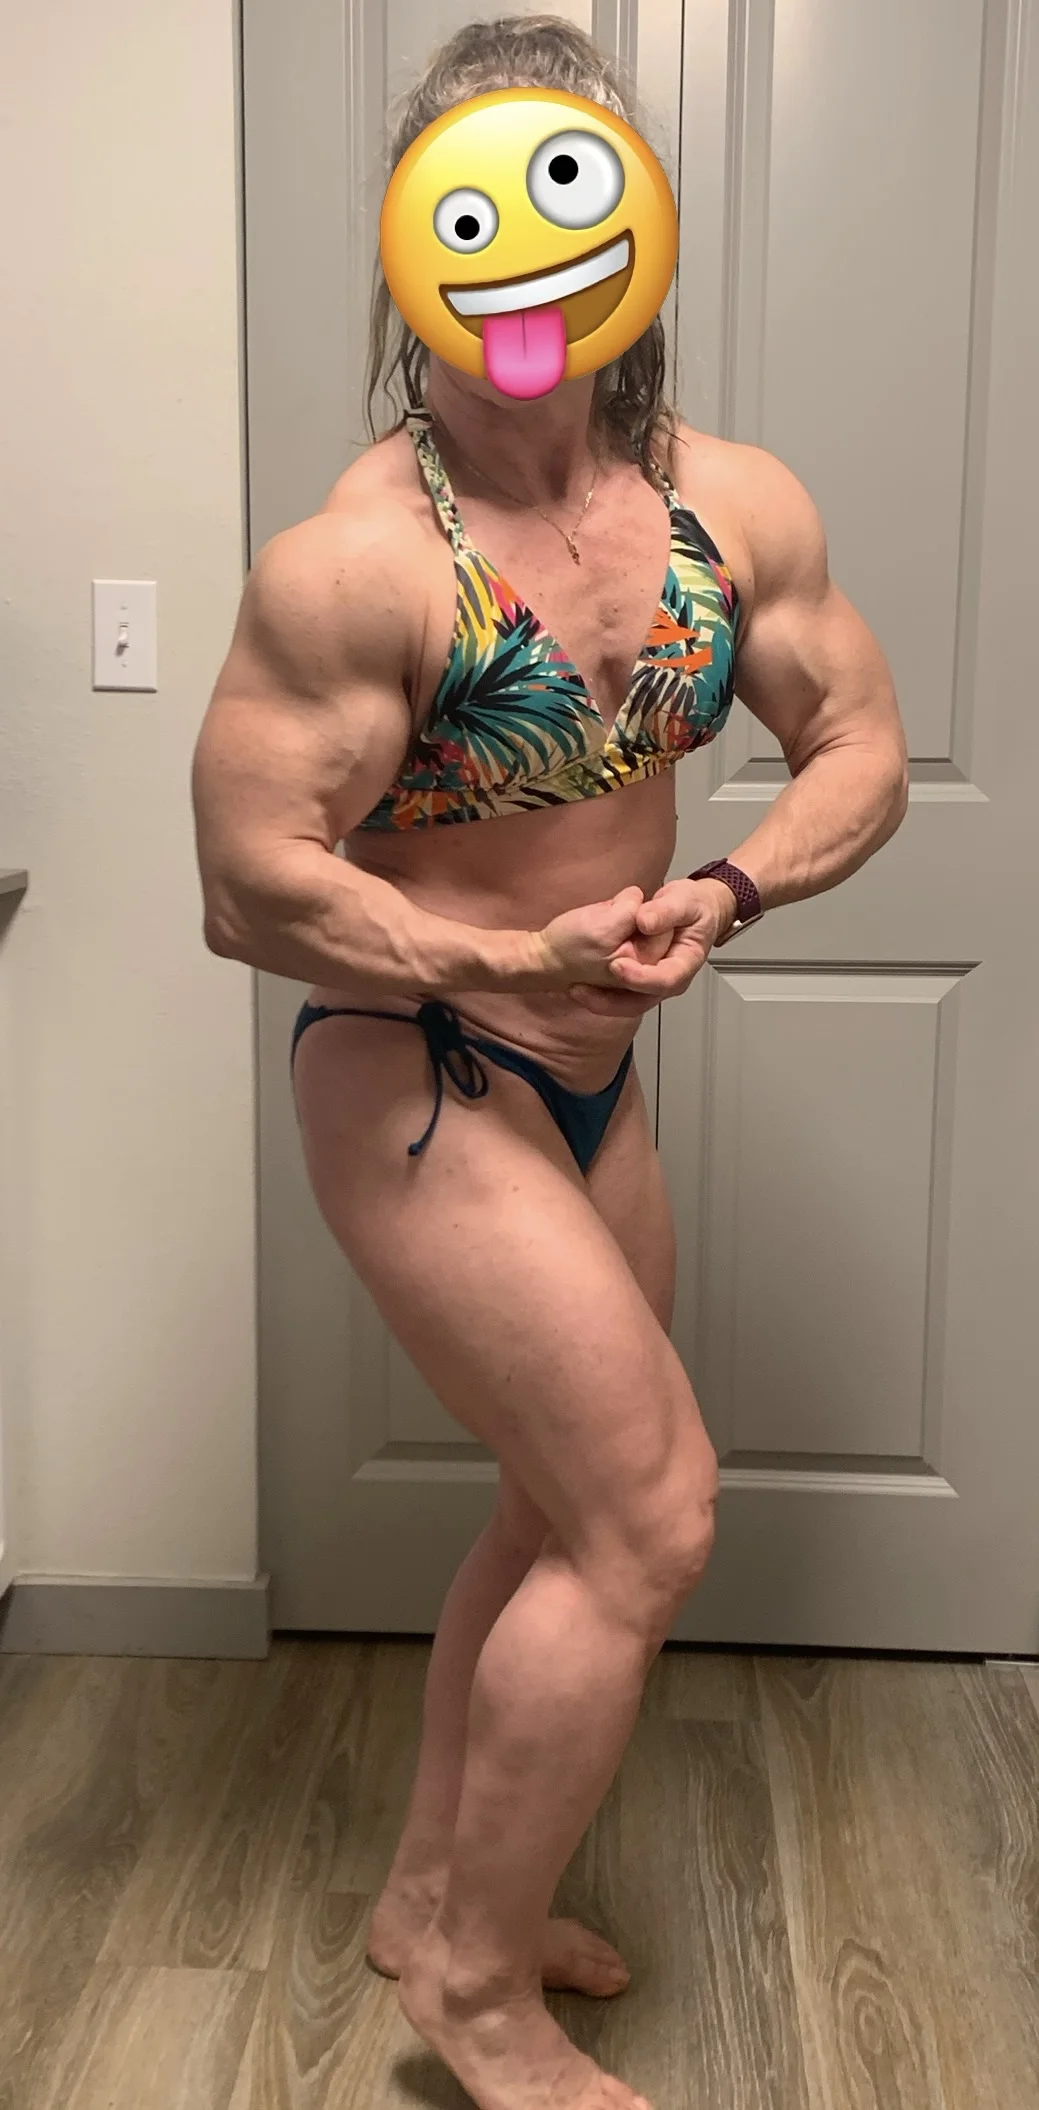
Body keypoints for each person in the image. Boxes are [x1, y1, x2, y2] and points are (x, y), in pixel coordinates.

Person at [192, 17, 908, 2109]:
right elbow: (246, 885)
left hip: (600, 1072)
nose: (522, 254)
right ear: (416, 237)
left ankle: (433, 1896)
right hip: (421, 1065)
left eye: (571, 188)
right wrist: (503, 950)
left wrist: (734, 886)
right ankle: (476, 1993)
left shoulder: (724, 504)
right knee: (651, 1513)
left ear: (634, 227)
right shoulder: (358, 563)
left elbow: (859, 742)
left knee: (560, 1497)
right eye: (478, 203)